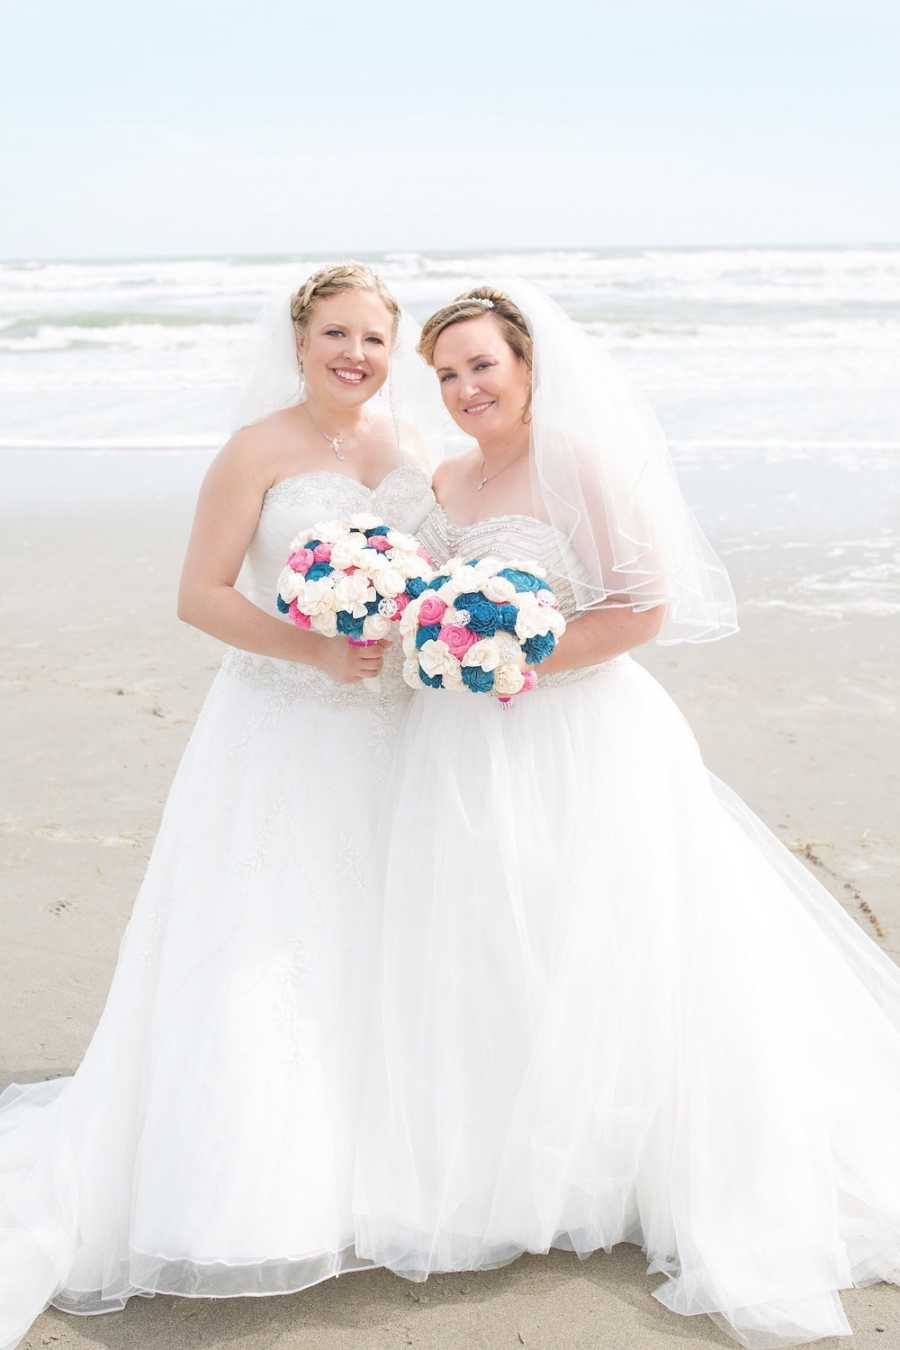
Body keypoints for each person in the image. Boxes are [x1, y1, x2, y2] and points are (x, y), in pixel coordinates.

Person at [352, 282, 900, 1350]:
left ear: (526, 365)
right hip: (466, 744)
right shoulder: (448, 476)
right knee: (490, 936)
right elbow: (423, 590)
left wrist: (520, 653)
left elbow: (642, 608)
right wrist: (433, 643)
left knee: (610, 938)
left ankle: (624, 1158)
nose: (466, 388)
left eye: (482, 365)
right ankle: (519, 1160)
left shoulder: (575, 465)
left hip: (580, 735)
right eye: (449, 372)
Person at [0, 262, 444, 1350]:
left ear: (395, 352)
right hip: (280, 726)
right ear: (298, 344)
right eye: (336, 334)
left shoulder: (410, 454)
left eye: (375, 340)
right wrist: (311, 645)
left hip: (390, 729)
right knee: (269, 936)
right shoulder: (258, 450)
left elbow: (433, 581)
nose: (356, 355)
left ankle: (387, 1165)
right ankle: (261, 1177)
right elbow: (199, 594)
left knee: (379, 929)